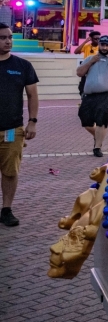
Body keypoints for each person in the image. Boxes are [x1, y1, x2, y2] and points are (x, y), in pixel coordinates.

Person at [0, 23, 38, 226]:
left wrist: (32, 122)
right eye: (3, 38)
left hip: (11, 130)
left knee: (10, 171)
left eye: (9, 37)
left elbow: (32, 95)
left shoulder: (22, 66)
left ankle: (6, 210)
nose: (8, 41)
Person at [76, 35, 108, 157]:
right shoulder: (90, 59)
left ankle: (97, 147)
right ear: (98, 45)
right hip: (89, 95)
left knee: (102, 119)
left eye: (107, 45)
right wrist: (91, 62)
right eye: (102, 44)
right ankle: (99, 136)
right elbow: (79, 73)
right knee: (85, 121)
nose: (104, 47)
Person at [73, 31, 101, 97]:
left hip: (97, 71)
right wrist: (85, 41)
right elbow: (76, 52)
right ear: (91, 39)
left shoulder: (101, 47)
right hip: (86, 70)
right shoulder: (87, 46)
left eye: (98, 38)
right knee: (83, 87)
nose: (97, 40)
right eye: (95, 39)